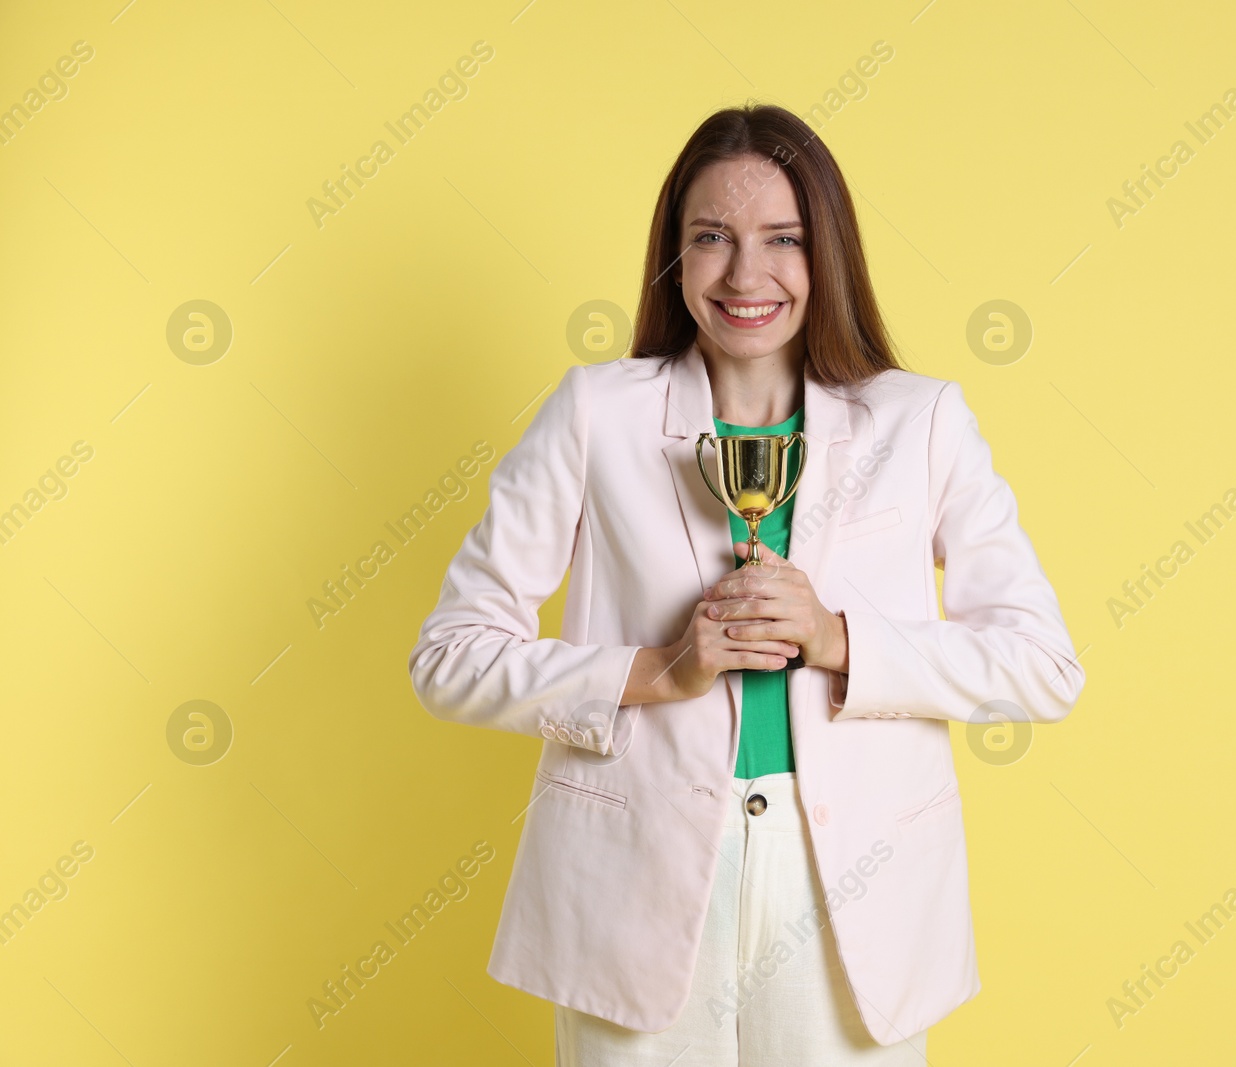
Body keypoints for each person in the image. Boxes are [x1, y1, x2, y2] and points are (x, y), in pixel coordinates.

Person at [408, 102, 1085, 1066]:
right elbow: (449, 658)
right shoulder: (595, 413)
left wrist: (842, 637)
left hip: (853, 894)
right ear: (673, 256)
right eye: (711, 238)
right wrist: (654, 671)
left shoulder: (922, 422)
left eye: (783, 240)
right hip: (632, 893)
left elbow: (1042, 665)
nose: (744, 274)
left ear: (829, 255)